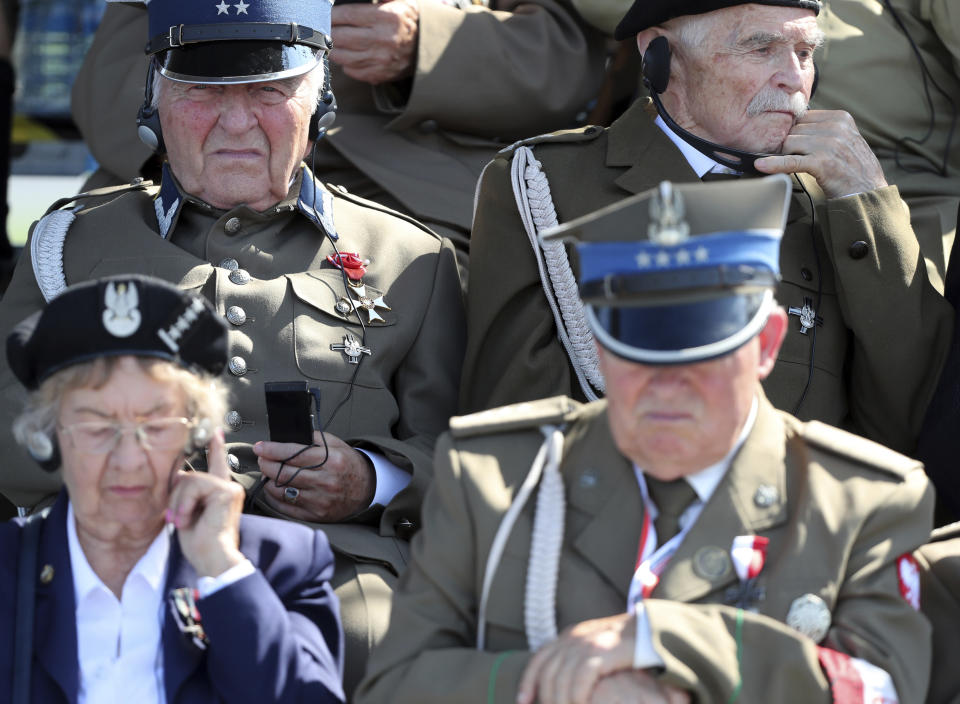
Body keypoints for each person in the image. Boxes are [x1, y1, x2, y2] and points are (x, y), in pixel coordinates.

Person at [0, 0, 464, 694]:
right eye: (203, 94)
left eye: (270, 92)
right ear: (154, 104)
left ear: (319, 103)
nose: (238, 121)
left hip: (334, 570)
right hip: (115, 553)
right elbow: (11, 434)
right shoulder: (69, 246)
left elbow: (463, 461)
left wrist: (370, 479)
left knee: (373, 642)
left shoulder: (413, 258)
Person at [356, 176, 934, 704]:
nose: (666, 384)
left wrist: (667, 641)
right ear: (599, 343)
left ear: (766, 344)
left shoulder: (860, 502)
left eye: (703, 347)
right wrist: (580, 690)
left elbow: (883, 688)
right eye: (636, 343)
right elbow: (396, 684)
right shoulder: (495, 477)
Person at [460, 0, 953, 458]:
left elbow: (913, 421)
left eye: (804, 53)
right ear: (661, 56)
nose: (793, 78)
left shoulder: (840, 202)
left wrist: (869, 201)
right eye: (760, 48)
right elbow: (514, 428)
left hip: (806, 532)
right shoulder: (547, 182)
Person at [70, 0, 608, 284]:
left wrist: (427, 42)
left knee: (456, 293)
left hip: (413, 188)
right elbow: (107, 103)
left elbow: (567, 67)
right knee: (78, 266)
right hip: (187, 181)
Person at [0, 275, 344, 703]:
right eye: (96, 426)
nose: (128, 459)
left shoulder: (280, 565)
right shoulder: (9, 567)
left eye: (157, 426)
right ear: (49, 436)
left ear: (198, 435)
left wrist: (222, 570)